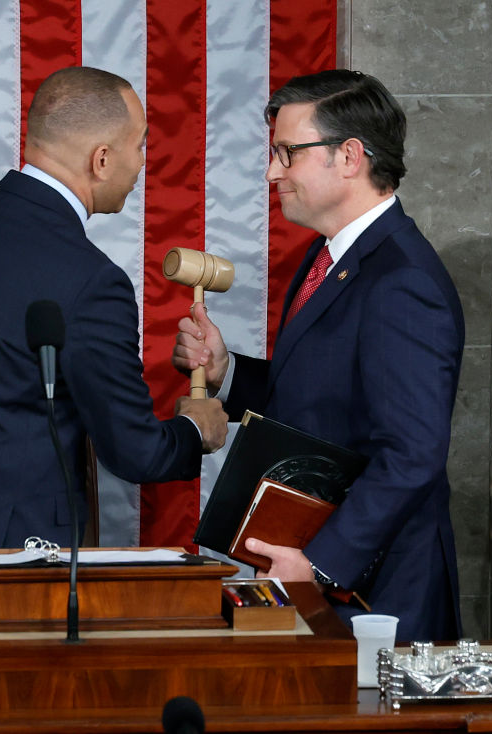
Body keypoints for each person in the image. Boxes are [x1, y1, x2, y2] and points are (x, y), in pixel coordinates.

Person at [0, 66, 228, 588]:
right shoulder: (92, 280)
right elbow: (135, 452)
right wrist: (198, 428)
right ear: (102, 159)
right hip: (7, 575)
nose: (142, 163)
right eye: (140, 146)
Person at [173, 69, 465, 641]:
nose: (271, 171)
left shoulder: (403, 280)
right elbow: (319, 400)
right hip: (314, 577)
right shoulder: (324, 257)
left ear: (349, 156)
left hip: (374, 594)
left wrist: (320, 564)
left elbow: (411, 455)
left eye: (287, 152)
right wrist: (227, 372)